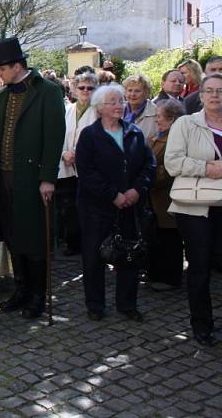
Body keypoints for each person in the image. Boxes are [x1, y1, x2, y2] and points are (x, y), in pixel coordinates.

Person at [0, 37, 66, 319]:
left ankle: (37, 295)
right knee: (12, 234)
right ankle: (20, 290)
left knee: (34, 238)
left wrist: (48, 178)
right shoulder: (5, 94)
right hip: (6, 176)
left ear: (18, 66)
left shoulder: (48, 91)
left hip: (32, 178)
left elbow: (54, 138)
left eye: (2, 69)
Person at [75, 83, 155, 322]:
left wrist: (136, 191)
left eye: (120, 101)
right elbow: (87, 172)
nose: (119, 106)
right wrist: (113, 195)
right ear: (100, 108)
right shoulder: (89, 136)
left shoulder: (134, 132)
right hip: (96, 208)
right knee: (93, 256)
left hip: (130, 206)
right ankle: (95, 304)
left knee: (130, 254)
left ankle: (127, 304)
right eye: (113, 102)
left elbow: (148, 165)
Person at [165, 72, 222, 347]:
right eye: (209, 90)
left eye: (220, 90)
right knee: (199, 267)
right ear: (200, 96)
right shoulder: (186, 124)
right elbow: (173, 163)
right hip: (196, 208)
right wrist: (207, 168)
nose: (215, 95)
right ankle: (202, 325)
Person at [57, 72, 99, 256]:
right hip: (67, 167)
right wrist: (64, 153)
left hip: (88, 169)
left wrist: (80, 155)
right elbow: (58, 136)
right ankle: (72, 242)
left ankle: (91, 242)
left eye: (90, 88)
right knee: (68, 208)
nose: (85, 91)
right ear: (74, 89)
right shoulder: (67, 110)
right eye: (81, 87)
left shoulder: (99, 111)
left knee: (89, 207)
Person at [147, 99, 185, 291]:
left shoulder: (175, 139)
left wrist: (147, 174)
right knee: (159, 237)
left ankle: (170, 277)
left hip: (167, 198)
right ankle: (156, 273)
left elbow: (170, 168)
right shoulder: (157, 137)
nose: (156, 120)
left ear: (171, 119)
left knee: (170, 239)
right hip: (155, 198)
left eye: (159, 117)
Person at [123, 74, 158, 143]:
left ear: (146, 93)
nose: (132, 94)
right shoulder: (117, 109)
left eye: (137, 91)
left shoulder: (156, 113)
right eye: (130, 90)